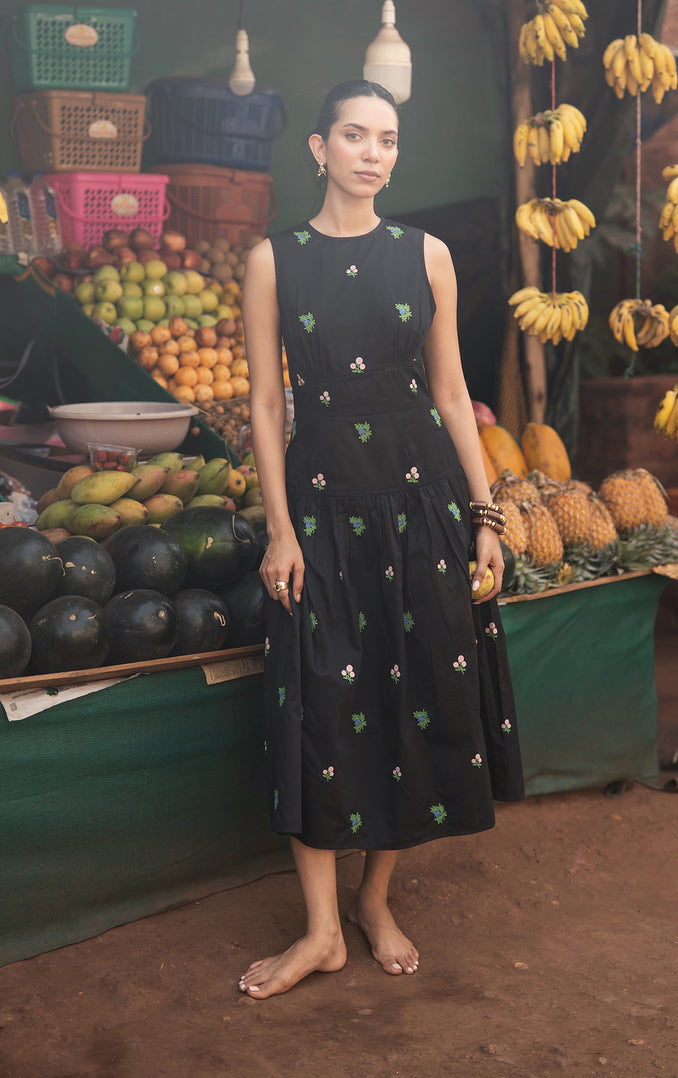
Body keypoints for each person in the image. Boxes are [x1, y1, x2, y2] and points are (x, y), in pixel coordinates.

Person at [239, 80, 523, 1000]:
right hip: (320, 510)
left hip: (419, 507)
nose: (372, 152)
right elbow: (266, 403)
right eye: (354, 136)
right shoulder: (272, 260)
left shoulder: (427, 255)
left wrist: (485, 516)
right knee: (319, 699)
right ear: (317, 149)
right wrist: (280, 532)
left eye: (388, 138)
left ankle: (373, 900)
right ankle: (320, 931)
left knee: (412, 695)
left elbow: (450, 394)